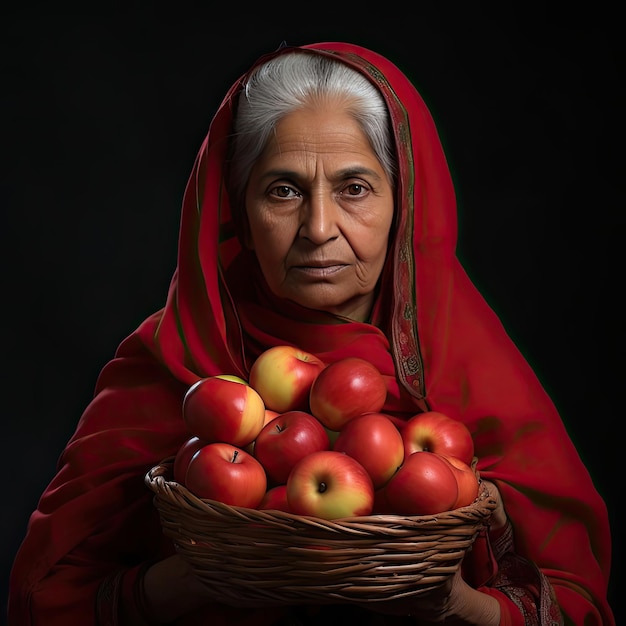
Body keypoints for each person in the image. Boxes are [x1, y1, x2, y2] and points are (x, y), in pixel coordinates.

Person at [7, 41, 615, 626]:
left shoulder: (471, 364)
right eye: (284, 191)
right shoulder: (174, 360)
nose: (318, 227)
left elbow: (573, 602)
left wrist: (457, 607)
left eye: (354, 189)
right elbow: (49, 598)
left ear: (404, 205)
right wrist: (187, 583)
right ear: (239, 212)